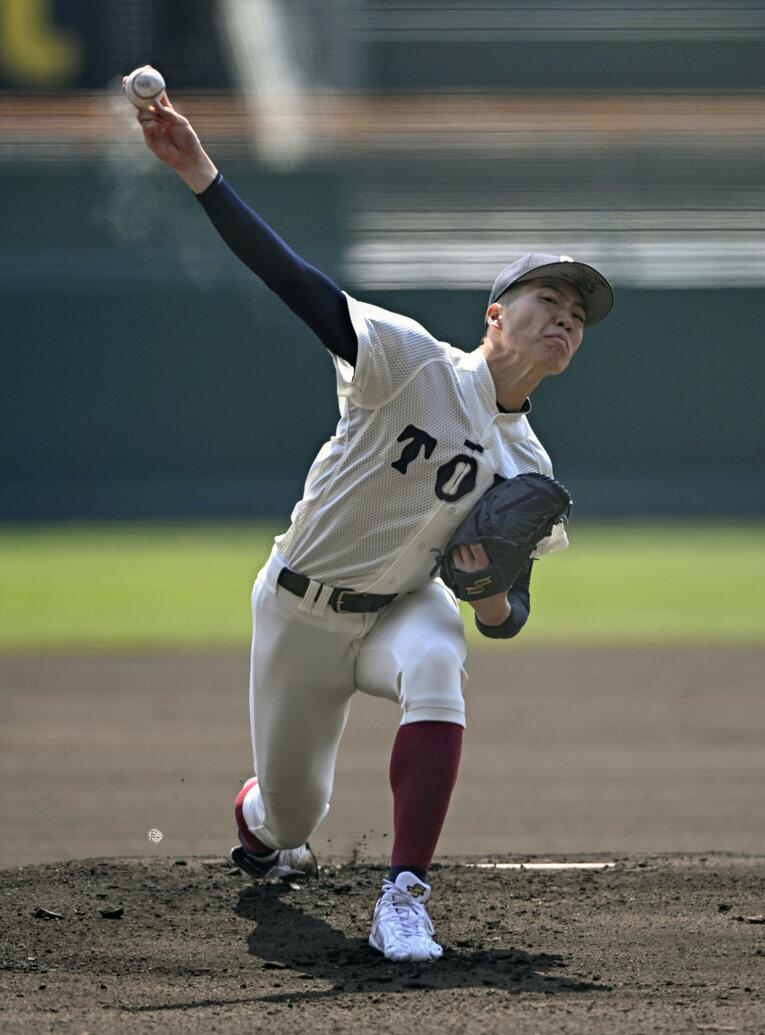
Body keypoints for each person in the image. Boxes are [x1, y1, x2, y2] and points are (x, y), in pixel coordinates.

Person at [129, 83, 614, 963]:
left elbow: (507, 616)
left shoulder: (529, 468)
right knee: (289, 816)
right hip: (298, 607)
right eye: (549, 299)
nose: (566, 319)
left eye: (578, 316)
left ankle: (403, 896)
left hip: (401, 605)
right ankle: (261, 822)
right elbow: (293, 281)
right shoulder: (408, 361)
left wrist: (489, 591)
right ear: (495, 315)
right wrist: (199, 170)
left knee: (437, 658)